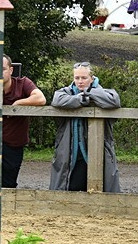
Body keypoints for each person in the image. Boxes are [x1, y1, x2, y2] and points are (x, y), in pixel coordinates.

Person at [50, 62, 122, 192]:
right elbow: (57, 100)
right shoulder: (66, 92)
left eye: (84, 78)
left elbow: (114, 101)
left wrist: (90, 93)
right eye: (77, 78)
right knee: (69, 186)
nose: (80, 81)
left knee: (102, 186)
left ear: (92, 78)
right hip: (70, 151)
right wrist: (81, 100)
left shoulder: (104, 92)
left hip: (98, 151)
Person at [1, 55, 45, 188]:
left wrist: (18, 103)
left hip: (13, 146)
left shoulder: (22, 83)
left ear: (10, 70)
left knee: (8, 185)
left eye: (3, 69)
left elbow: (40, 99)